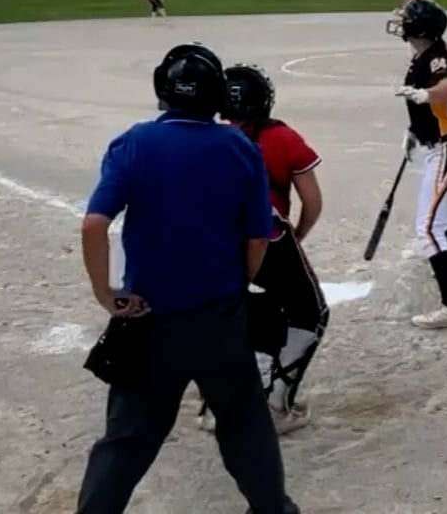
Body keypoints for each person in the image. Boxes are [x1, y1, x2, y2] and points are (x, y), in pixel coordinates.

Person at [76, 44, 300, 514]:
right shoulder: (239, 147)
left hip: (150, 317)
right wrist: (239, 281)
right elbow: (258, 237)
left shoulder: (134, 142)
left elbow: (94, 225)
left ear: (163, 89)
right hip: (220, 317)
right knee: (244, 423)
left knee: (127, 439)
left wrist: (106, 294)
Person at [199, 63, 327, 436]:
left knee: (229, 311)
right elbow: (312, 202)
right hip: (268, 236)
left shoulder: (211, 136)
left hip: (214, 237)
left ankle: (214, 406)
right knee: (309, 313)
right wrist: (296, 236)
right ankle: (275, 406)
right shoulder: (283, 137)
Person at [387, 0, 447, 330]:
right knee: (441, 214)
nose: (401, 21)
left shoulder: (437, 58)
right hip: (444, 144)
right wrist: (415, 130)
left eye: (408, 18)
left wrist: (426, 95)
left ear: (420, 29)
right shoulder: (422, 57)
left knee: (428, 228)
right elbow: (431, 108)